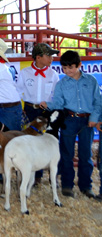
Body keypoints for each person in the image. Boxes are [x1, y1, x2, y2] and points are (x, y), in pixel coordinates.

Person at [41, 51, 101, 199]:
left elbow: (98, 102)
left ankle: (86, 186)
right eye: (64, 68)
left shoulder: (91, 81)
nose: (67, 71)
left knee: (85, 154)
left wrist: (94, 117)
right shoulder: (61, 84)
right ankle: (67, 185)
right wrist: (47, 105)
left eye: (71, 67)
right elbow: (59, 103)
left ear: (79, 65)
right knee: (66, 154)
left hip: (87, 121)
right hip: (69, 120)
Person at [16, 43, 59, 185]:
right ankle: (30, 175)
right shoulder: (25, 73)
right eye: (48, 55)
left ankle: (47, 176)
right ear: (38, 57)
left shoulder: (53, 74)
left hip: (47, 111)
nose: (51, 58)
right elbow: (19, 91)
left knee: (46, 141)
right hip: (30, 110)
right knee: (30, 141)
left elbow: (55, 94)